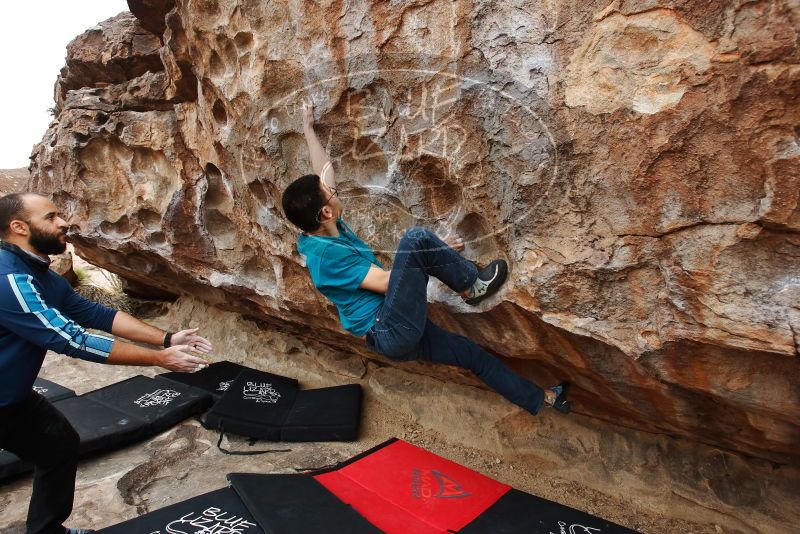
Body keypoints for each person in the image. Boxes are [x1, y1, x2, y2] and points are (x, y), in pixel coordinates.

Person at [281, 102, 570, 422]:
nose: (334, 190)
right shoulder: (326, 258)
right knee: (415, 240)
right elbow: (387, 283)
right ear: (325, 212)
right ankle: (472, 286)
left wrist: (308, 128)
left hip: (394, 333)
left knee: (471, 355)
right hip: (389, 328)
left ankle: (545, 397)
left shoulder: (323, 227)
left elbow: (325, 169)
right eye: (329, 194)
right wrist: (428, 253)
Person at [0, 192, 212, 534]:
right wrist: (159, 359)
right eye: (51, 217)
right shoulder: (9, 279)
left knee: (58, 445)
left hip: (13, 400)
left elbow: (94, 313)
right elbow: (72, 339)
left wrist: (167, 339)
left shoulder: (42, 276)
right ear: (19, 227)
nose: (63, 222)